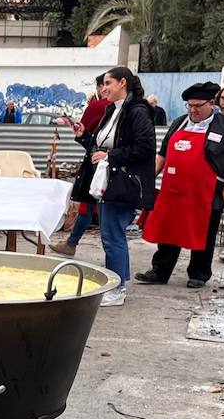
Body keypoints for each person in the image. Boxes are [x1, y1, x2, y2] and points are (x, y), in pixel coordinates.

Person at [135, 81, 224, 289]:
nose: (193, 110)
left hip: (207, 193)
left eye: (198, 105)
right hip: (174, 190)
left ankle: (199, 273)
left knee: (205, 233)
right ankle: (160, 271)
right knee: (168, 231)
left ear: (211, 103)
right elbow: (162, 154)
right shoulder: (179, 123)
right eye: (189, 105)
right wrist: (147, 179)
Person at [76, 66, 156, 307]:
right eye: (102, 85)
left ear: (123, 83)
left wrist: (111, 156)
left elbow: (145, 147)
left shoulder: (137, 111)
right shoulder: (113, 109)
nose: (103, 89)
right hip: (109, 183)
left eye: (108, 83)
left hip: (124, 184)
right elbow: (102, 146)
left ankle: (117, 288)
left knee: (112, 236)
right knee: (112, 235)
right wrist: (83, 136)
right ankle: (120, 283)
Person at [49, 76, 109, 256]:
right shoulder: (117, 108)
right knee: (96, 208)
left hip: (99, 162)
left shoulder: (99, 107)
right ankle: (73, 242)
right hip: (104, 160)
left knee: (93, 207)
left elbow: (89, 137)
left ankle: (75, 243)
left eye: (107, 84)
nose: (105, 89)